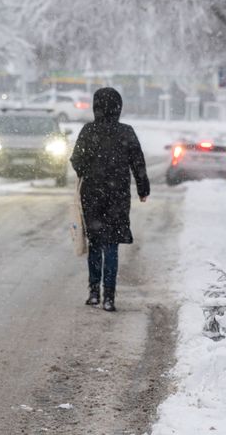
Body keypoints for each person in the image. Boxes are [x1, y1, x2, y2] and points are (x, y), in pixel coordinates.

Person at [70, 87, 150, 312]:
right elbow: (138, 163)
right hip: (118, 196)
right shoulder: (126, 132)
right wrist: (143, 189)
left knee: (95, 242)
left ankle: (94, 292)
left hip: (92, 195)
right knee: (112, 245)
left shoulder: (88, 131)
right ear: (118, 107)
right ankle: (109, 297)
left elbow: (77, 161)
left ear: (96, 107)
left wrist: (89, 169)